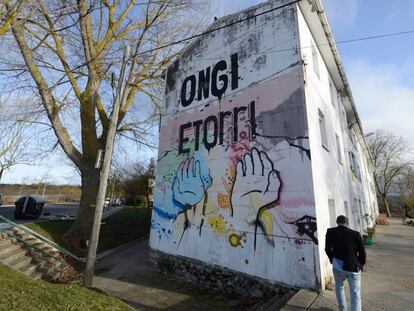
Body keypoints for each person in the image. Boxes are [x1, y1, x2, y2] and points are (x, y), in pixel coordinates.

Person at [325, 215, 366, 311]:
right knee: (355, 292)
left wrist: (332, 260)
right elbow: (362, 251)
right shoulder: (355, 234)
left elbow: (327, 249)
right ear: (347, 223)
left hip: (338, 265)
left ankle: (343, 309)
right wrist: (361, 264)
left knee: (339, 286)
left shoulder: (330, 232)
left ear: (337, 222)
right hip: (353, 266)